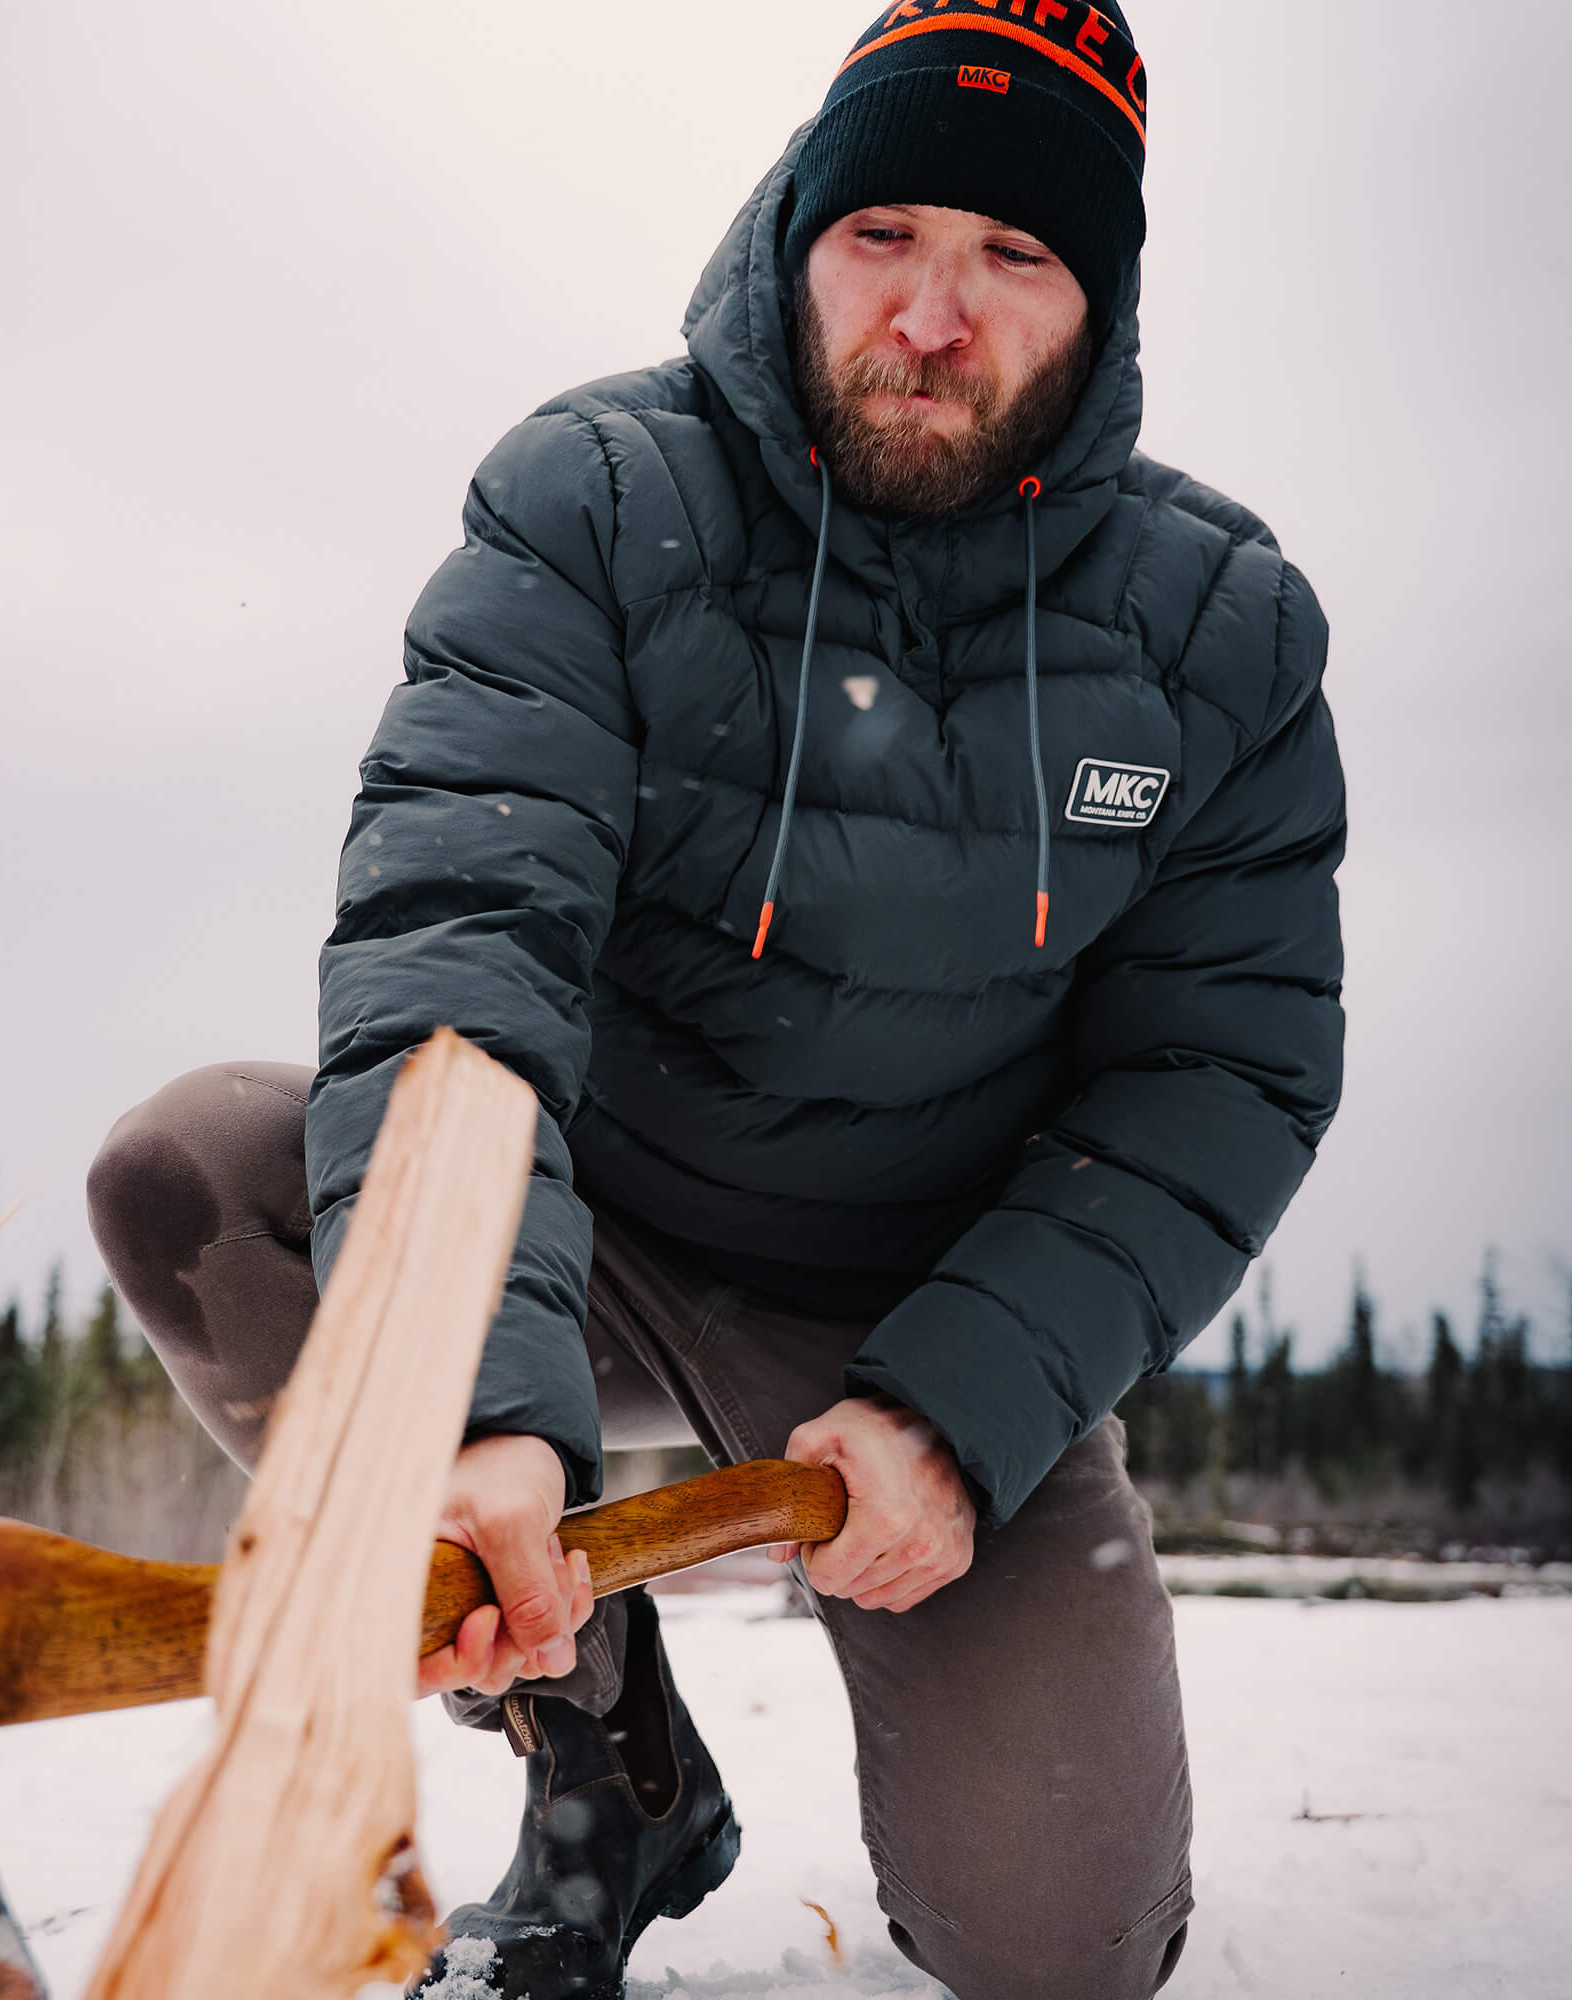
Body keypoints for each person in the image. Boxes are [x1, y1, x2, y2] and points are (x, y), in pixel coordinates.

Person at [86, 5, 1345, 1995]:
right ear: (791, 238)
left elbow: (1225, 1070)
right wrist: (472, 1406)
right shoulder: (594, 501)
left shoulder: (1220, 631)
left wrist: (959, 1406)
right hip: (588, 1234)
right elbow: (459, 952)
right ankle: (605, 1746)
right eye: (885, 235)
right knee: (197, 1172)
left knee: (1059, 1945)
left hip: (924, 1313)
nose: (932, 316)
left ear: (1096, 303)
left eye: (1014, 257)